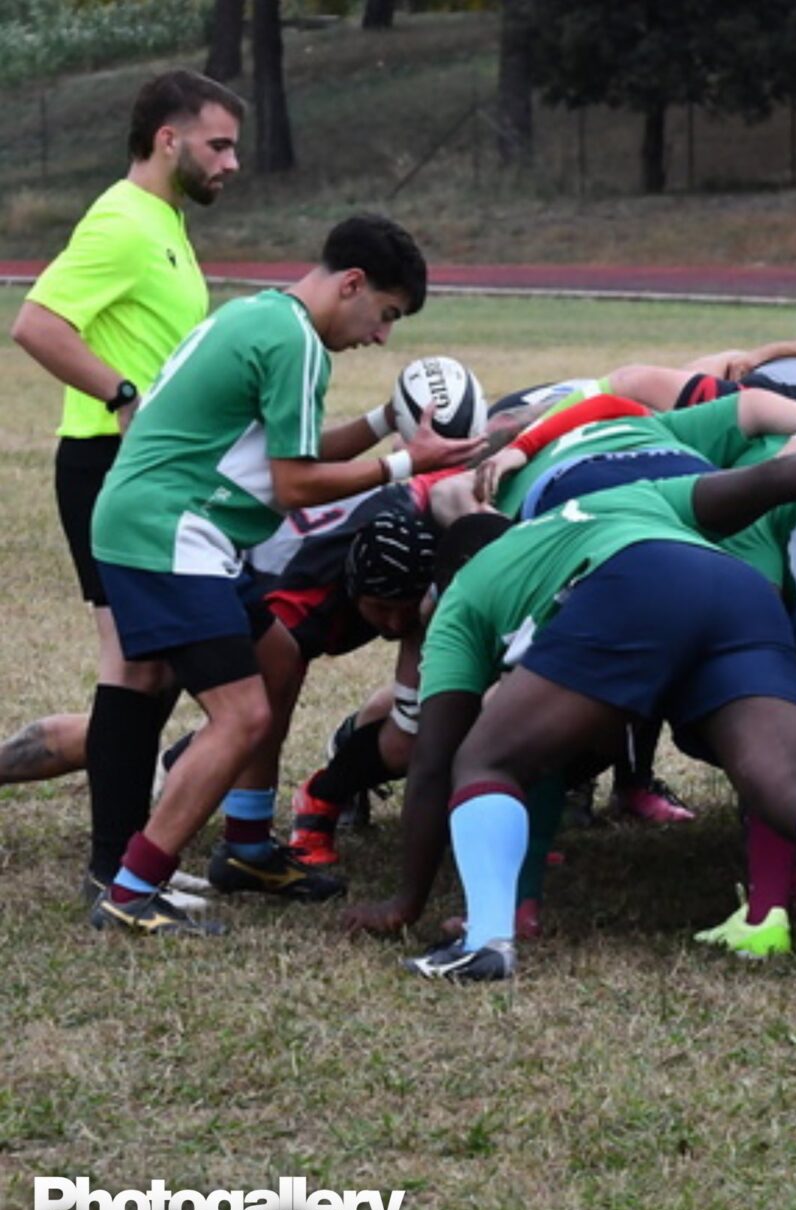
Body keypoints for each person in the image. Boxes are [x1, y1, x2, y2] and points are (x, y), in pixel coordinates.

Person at [346, 440, 796, 997]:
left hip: (633, 583)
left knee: (485, 759)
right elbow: (769, 480)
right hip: (739, 591)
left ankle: (485, 941)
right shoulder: (614, 502)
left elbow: (431, 762)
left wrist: (407, 900)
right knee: (789, 784)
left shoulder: (464, 593)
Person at [86, 214, 479, 935]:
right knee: (241, 717)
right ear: (353, 284)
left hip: (168, 521)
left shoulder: (264, 317)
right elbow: (295, 484)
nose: (383, 336)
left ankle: (244, 849)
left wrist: (386, 419)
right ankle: (131, 890)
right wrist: (406, 463)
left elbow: (289, 446)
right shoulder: (296, 342)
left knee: (278, 652)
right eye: (386, 315)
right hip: (170, 531)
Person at [10, 69, 244, 901]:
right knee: (133, 670)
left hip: (150, 473)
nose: (232, 162)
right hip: (107, 467)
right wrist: (124, 398)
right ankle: (115, 866)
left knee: (144, 671)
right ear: (169, 139)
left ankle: (125, 859)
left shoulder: (165, 222)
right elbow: (36, 323)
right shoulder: (122, 220)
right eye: (219, 144)